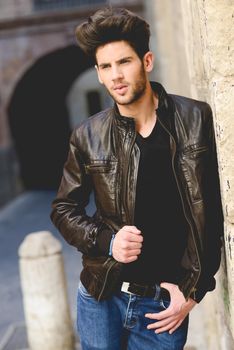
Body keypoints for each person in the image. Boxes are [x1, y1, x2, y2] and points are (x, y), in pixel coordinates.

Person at [50, 6, 223, 350]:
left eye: (124, 62)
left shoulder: (194, 119)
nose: (116, 75)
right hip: (102, 297)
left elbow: (212, 212)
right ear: (99, 74)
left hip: (163, 306)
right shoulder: (87, 135)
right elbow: (63, 209)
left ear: (146, 62)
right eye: (106, 66)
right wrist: (107, 241)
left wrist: (195, 291)